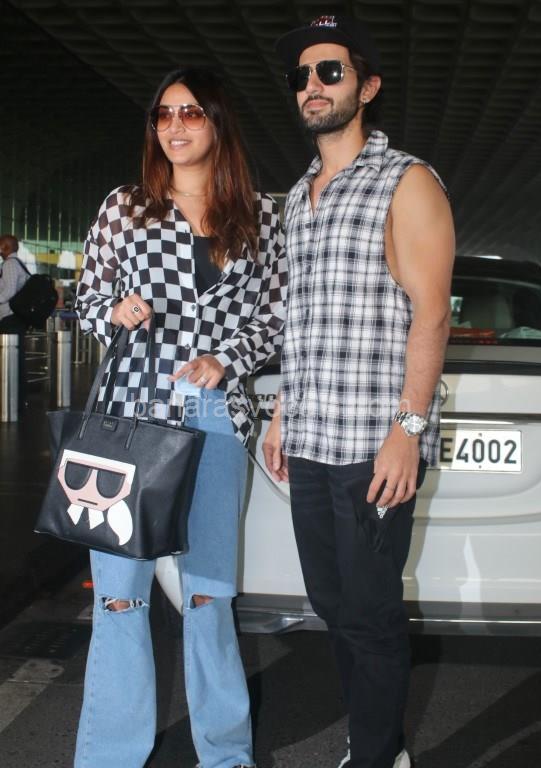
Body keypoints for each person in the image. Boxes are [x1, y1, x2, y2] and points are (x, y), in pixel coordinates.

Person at [74, 66, 287, 768]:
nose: (174, 126)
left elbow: (275, 316)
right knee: (119, 600)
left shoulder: (260, 216)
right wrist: (112, 311)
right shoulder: (126, 207)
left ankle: (225, 757)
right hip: (131, 416)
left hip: (217, 418)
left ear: (218, 123)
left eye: (191, 112)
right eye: (163, 114)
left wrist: (227, 358)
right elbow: (85, 298)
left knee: (208, 599)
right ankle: (110, 758)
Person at [264, 15, 455, 768]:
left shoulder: (406, 181)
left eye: (330, 71)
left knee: (371, 615)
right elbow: (299, 319)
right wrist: (281, 410)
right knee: (332, 605)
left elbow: (431, 313)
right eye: (301, 76)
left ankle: (376, 756)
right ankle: (376, 741)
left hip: (374, 446)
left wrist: (408, 429)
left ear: (366, 86)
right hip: (312, 439)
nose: (312, 86)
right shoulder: (297, 198)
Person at [0, 234, 29, 407]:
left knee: (12, 360)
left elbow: (9, 291)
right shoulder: (18, 263)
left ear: (6, 246)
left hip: (11, 318)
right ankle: (17, 399)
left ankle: (14, 400)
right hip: (15, 318)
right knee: (15, 358)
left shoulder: (10, 264)